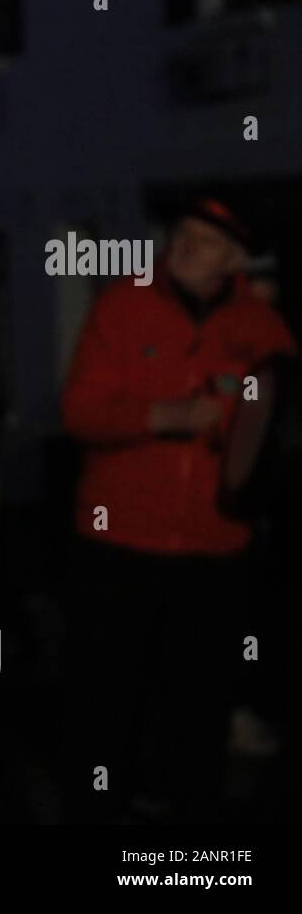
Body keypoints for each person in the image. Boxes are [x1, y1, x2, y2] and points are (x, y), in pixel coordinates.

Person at [59, 196, 297, 823]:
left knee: (199, 706)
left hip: (216, 549)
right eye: (182, 234)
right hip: (120, 546)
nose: (187, 247)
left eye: (207, 240)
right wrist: (159, 417)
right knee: (107, 703)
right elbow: (79, 411)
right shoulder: (123, 305)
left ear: (236, 259)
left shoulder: (261, 327)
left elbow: (281, 425)